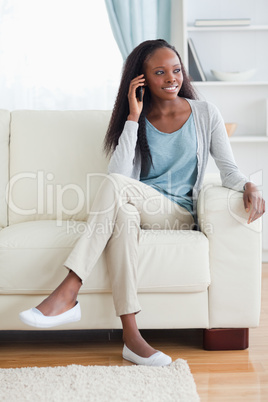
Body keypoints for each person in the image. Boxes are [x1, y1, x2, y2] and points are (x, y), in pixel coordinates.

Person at [19, 39, 265, 366]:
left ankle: (69, 289)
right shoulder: (138, 119)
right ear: (142, 79)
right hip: (135, 207)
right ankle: (132, 338)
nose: (171, 78)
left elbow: (228, 169)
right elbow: (120, 175)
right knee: (120, 215)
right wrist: (133, 119)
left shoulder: (206, 114)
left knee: (116, 190)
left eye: (176, 70)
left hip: (176, 213)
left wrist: (250, 184)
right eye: (160, 72)